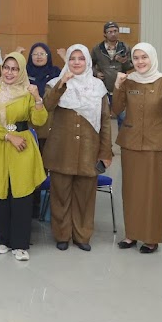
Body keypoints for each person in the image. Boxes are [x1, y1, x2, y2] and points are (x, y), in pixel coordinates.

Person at [41, 45, 112, 251]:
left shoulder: (98, 87)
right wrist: (63, 83)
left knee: (85, 197)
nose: (77, 62)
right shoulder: (54, 83)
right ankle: (62, 235)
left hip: (90, 150)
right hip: (61, 149)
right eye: (73, 58)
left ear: (88, 62)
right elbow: (47, 106)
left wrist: (105, 153)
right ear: (67, 62)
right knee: (60, 195)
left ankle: (82, 236)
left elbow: (105, 121)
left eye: (81, 59)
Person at [0, 52, 48, 262]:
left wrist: (37, 98)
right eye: (7, 68)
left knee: (22, 195)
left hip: (22, 147)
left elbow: (39, 120)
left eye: (14, 69)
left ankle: (20, 244)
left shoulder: (28, 92)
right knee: (1, 193)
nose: (9, 72)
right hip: (0, 143)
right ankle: (3, 240)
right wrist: (8, 136)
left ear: (21, 71)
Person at [113, 43, 162, 253]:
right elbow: (116, 110)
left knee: (153, 192)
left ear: (152, 58)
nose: (140, 62)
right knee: (131, 190)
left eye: (144, 57)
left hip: (156, 145)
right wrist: (117, 86)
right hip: (131, 143)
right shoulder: (128, 80)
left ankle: (151, 237)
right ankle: (131, 234)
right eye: (136, 58)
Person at [92, 21, 131, 96]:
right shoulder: (97, 49)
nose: (113, 34)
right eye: (110, 32)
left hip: (121, 86)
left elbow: (130, 66)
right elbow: (89, 64)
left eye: (115, 31)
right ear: (105, 34)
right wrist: (96, 73)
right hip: (102, 87)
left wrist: (123, 61)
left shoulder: (125, 47)